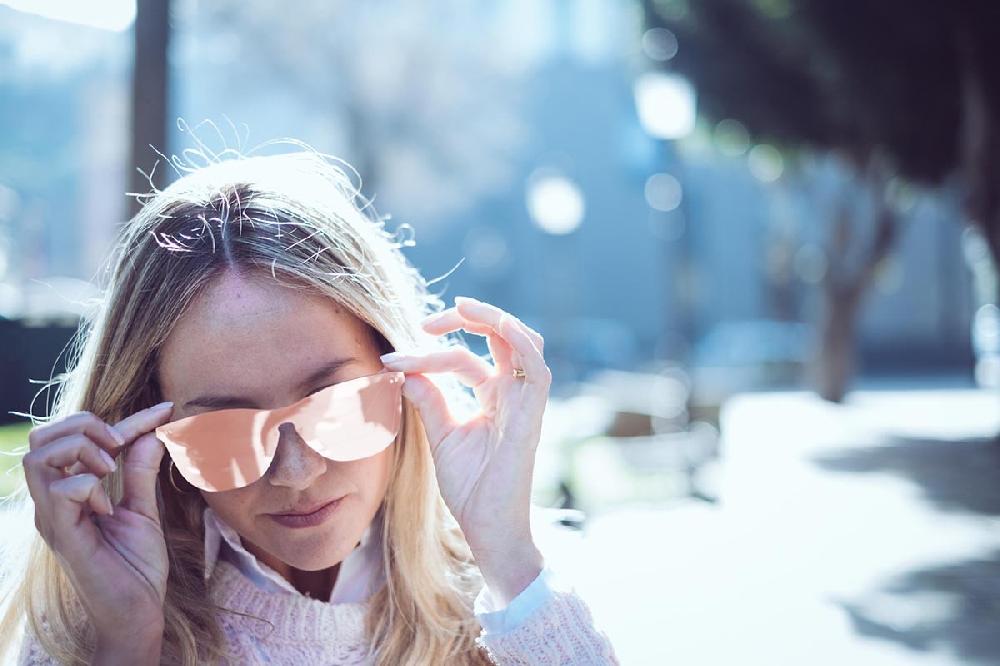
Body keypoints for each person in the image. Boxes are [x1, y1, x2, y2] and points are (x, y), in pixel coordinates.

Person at [0, 144, 619, 664]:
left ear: (401, 373)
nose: (297, 472)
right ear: (148, 438)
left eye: (336, 406)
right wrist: (128, 640)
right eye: (224, 435)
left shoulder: (521, 598)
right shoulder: (86, 619)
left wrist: (506, 554)